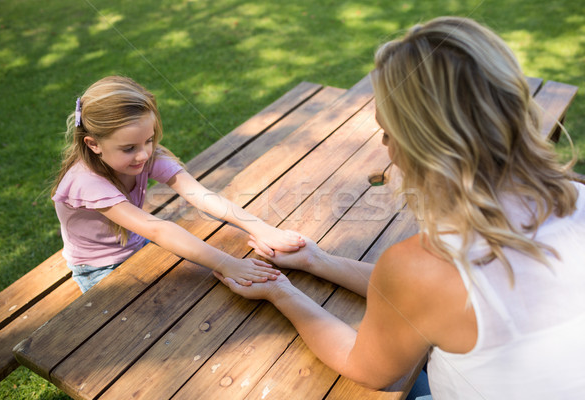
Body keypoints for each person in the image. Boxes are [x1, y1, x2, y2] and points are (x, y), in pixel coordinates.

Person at [214, 16, 585, 399]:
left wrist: (281, 292)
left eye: (389, 133)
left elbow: (369, 369)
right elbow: (426, 293)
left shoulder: (423, 264)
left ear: (425, 145)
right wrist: (317, 261)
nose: (385, 147)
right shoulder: (575, 196)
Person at [51, 76, 305, 293]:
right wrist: (228, 264)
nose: (144, 154)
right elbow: (160, 230)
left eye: (149, 140)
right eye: (129, 148)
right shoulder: (86, 182)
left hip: (138, 244)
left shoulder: (141, 157)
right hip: (99, 268)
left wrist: (260, 228)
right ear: (93, 144)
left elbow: (200, 195)